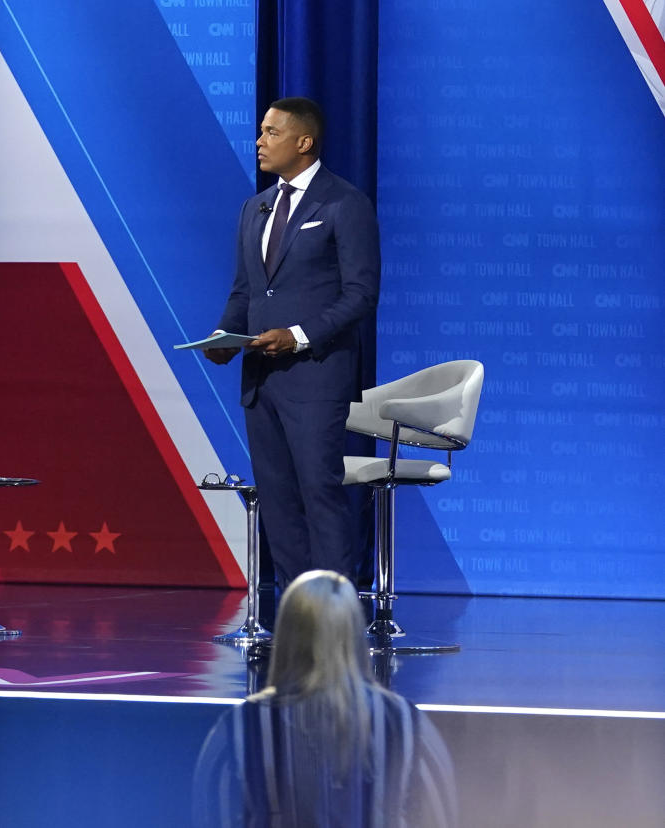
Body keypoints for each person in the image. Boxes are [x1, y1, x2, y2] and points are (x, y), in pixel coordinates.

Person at [206, 97, 379, 587]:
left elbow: (362, 294)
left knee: (318, 492)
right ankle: (295, 615)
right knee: (277, 499)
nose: (260, 141)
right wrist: (224, 336)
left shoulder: (344, 203)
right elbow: (247, 289)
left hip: (316, 377)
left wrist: (299, 336)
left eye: (271, 133)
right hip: (261, 380)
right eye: (261, 132)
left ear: (304, 142)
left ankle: (336, 616)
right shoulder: (254, 207)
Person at [191, 571, 457, 827]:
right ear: (355, 632)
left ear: (285, 633)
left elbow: (210, 814)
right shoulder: (406, 725)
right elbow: (442, 818)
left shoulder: (239, 727)